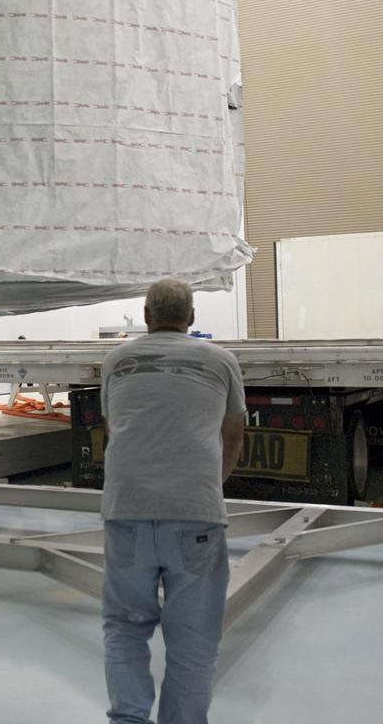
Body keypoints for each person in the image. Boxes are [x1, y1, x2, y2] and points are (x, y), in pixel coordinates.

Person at [98, 278, 245, 724]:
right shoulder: (221, 361)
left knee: (125, 630)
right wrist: (206, 486)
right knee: (194, 644)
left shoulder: (116, 361)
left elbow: (115, 427)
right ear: (192, 318)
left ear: (146, 316)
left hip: (126, 510)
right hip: (196, 515)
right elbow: (234, 435)